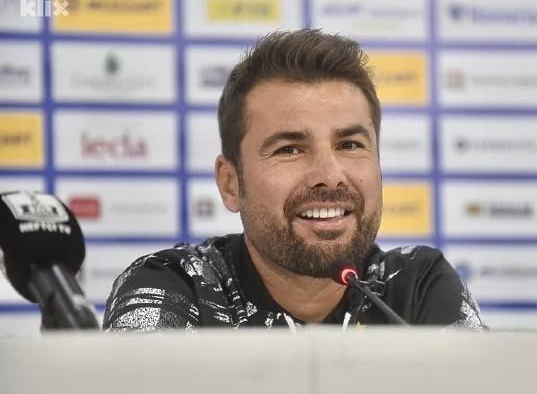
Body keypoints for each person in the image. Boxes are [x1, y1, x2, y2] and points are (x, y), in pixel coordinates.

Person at [103, 29, 486, 332]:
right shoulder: (173, 286)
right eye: (289, 149)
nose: (329, 176)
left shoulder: (416, 286)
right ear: (230, 184)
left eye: (349, 144)